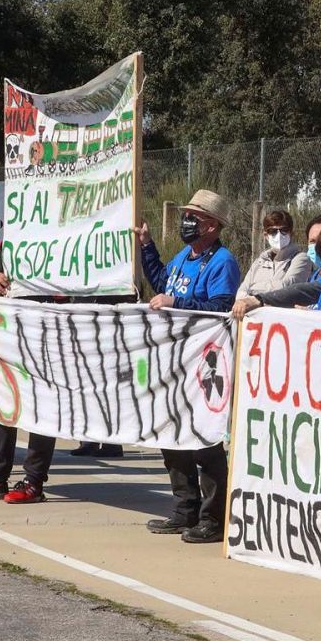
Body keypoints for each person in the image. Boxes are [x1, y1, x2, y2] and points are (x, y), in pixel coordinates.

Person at [134, 190, 240, 543]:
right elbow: (162, 283)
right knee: (173, 434)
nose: (187, 221)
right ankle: (185, 508)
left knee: (204, 439)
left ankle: (212, 516)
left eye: (194, 216)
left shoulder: (222, 261)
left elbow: (221, 304)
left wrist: (177, 301)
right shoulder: (184, 255)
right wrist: (148, 247)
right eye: (187, 214)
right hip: (175, 359)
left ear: (212, 224)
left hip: (204, 362)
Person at [0, 242, 58, 503]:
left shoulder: (61, 241)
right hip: (7, 340)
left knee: (41, 411)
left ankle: (33, 481)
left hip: (45, 341)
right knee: (2, 406)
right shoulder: (9, 242)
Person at [240, 210, 313, 297]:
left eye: (284, 230)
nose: (279, 235)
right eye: (272, 231)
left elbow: (286, 287)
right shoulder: (259, 262)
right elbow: (241, 292)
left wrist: (252, 289)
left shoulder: (301, 259)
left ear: (291, 233)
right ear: (266, 235)